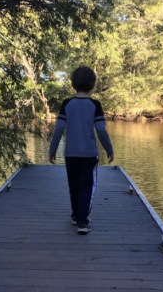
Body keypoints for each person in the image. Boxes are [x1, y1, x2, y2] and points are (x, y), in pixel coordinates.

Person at [48, 66, 114, 234]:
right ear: (93, 85)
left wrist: (52, 149)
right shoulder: (95, 105)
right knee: (87, 186)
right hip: (89, 155)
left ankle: (76, 215)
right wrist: (109, 148)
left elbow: (58, 129)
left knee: (74, 185)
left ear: (72, 85)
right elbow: (100, 129)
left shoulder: (66, 104)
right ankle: (83, 222)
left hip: (70, 154)